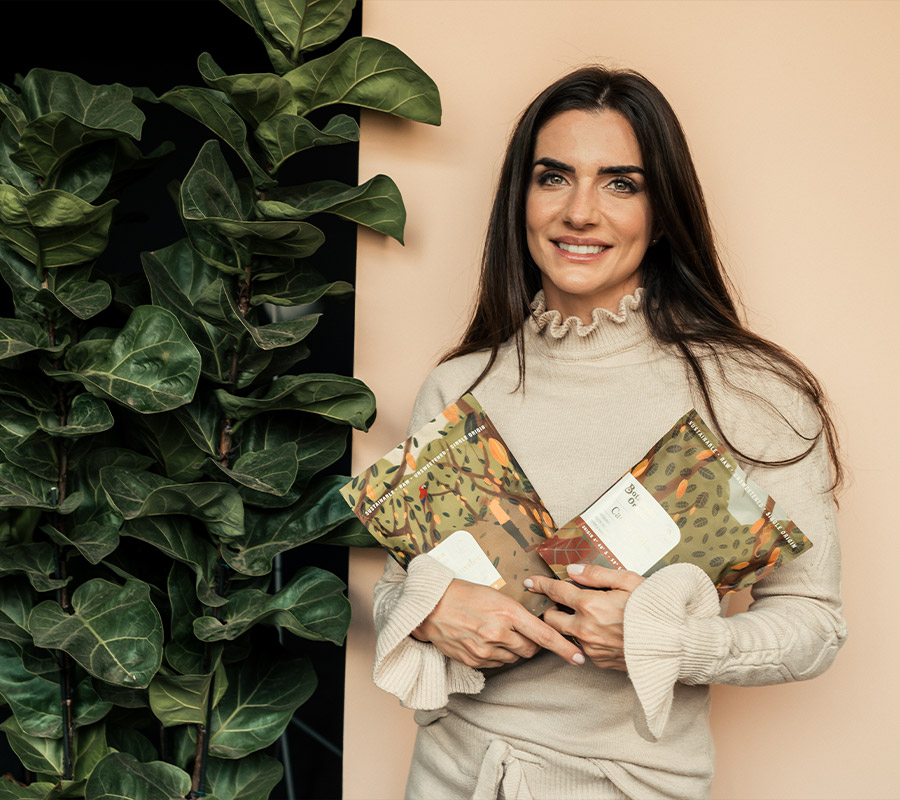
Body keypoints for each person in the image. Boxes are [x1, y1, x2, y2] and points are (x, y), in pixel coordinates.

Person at [371, 66, 846, 800]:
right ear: (520, 199)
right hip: (447, 778)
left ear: (663, 212)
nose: (580, 212)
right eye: (553, 178)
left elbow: (814, 624)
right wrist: (428, 610)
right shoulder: (458, 384)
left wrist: (670, 642)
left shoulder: (752, 394)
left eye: (621, 183)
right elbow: (396, 587)